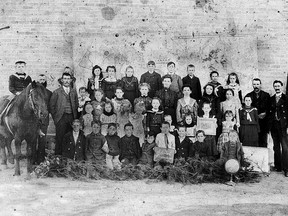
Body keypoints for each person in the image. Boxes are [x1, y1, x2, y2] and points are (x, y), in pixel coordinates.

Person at [49, 72, 79, 155]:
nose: (66, 81)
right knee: (60, 138)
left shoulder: (73, 92)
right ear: (62, 80)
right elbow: (51, 106)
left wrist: (75, 117)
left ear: (70, 80)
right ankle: (58, 158)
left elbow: (76, 104)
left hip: (71, 118)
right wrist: (56, 119)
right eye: (65, 79)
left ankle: (68, 157)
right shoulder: (57, 92)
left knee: (70, 138)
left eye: (68, 79)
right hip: (61, 118)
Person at [267, 80, 288, 176]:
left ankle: (286, 168)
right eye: (275, 86)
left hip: (283, 126)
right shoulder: (271, 99)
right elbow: (269, 114)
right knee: (276, 147)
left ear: (282, 86)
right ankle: (278, 166)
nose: (277, 88)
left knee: (285, 147)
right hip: (274, 126)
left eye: (278, 86)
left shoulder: (286, 98)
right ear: (273, 87)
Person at [245, 78, 270, 147]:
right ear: (252, 85)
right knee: (253, 140)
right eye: (254, 84)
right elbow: (246, 108)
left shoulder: (266, 95)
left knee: (263, 140)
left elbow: (269, 107)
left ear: (260, 85)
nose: (256, 86)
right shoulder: (249, 95)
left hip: (263, 122)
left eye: (257, 84)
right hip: (253, 122)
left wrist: (265, 113)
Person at [36, 74, 52, 164]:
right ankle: (32, 159)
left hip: (44, 120)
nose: (42, 81)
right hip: (33, 120)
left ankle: (40, 159)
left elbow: (50, 107)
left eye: (43, 79)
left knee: (42, 139)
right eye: (40, 79)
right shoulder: (33, 92)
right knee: (33, 139)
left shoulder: (49, 93)